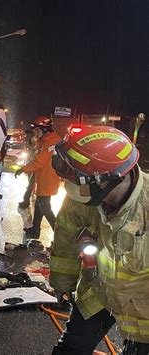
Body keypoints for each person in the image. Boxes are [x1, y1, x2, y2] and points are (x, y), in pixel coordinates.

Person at [49, 125, 148, 354]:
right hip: (98, 294)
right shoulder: (82, 200)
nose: (70, 187)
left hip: (143, 310)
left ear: (106, 181)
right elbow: (64, 239)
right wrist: (63, 283)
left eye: (76, 180)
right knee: (71, 349)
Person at [15, 116, 61, 239]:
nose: (35, 133)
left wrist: (23, 169)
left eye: (37, 131)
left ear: (45, 130)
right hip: (42, 179)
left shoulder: (50, 142)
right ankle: (35, 231)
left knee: (46, 209)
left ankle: (60, 236)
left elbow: (39, 162)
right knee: (40, 207)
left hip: (48, 180)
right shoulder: (44, 141)